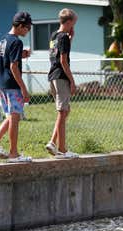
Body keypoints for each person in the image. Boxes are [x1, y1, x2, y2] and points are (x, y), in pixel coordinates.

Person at [0, 11, 33, 163]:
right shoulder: (17, 42)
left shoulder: (4, 40)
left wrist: (21, 55)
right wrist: (24, 88)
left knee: (12, 116)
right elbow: (13, 67)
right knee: (15, 118)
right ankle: (13, 153)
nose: (28, 30)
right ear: (20, 26)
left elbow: (8, 59)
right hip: (13, 85)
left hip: (2, 83)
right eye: (27, 28)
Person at [45, 8, 79, 159]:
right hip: (61, 76)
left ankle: (54, 142)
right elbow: (63, 60)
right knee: (62, 111)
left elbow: (58, 52)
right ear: (69, 21)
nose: (74, 26)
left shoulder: (54, 36)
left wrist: (71, 38)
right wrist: (72, 81)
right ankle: (62, 149)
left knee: (65, 111)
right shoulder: (64, 37)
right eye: (74, 23)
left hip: (52, 76)